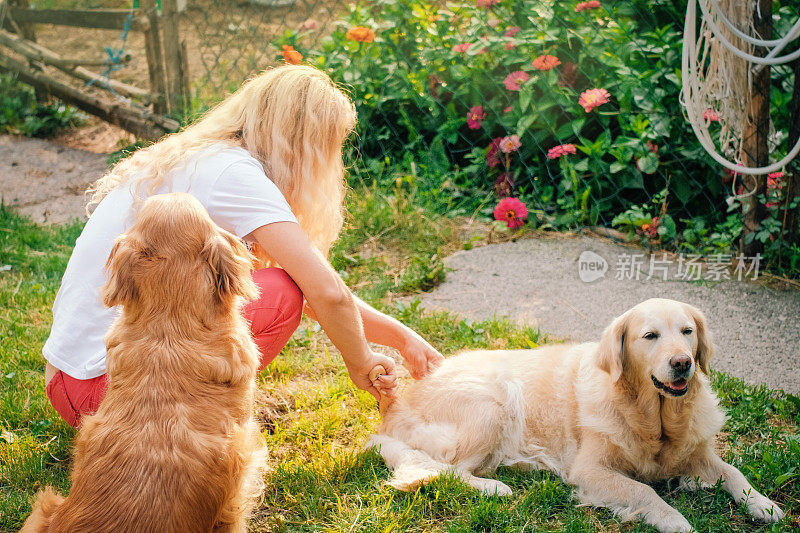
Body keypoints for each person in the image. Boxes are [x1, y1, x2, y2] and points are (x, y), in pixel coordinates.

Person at [42, 65, 444, 428]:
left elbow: (325, 294)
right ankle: (194, 424)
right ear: (305, 143)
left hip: (72, 383)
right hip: (112, 396)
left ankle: (186, 416)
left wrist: (405, 340)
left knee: (280, 285)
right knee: (282, 291)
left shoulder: (208, 159)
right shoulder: (236, 175)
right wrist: (361, 363)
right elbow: (321, 292)